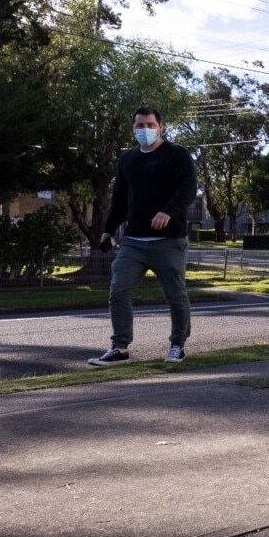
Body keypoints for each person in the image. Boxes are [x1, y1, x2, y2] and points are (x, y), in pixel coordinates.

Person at [88, 106, 199, 368]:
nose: (145, 130)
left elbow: (188, 190)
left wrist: (167, 212)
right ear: (133, 129)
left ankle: (177, 345)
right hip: (133, 242)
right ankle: (120, 348)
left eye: (150, 125)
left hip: (169, 241)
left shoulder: (177, 155)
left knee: (175, 295)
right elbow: (119, 200)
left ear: (161, 127)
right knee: (119, 291)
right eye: (140, 126)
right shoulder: (127, 159)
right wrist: (108, 229)